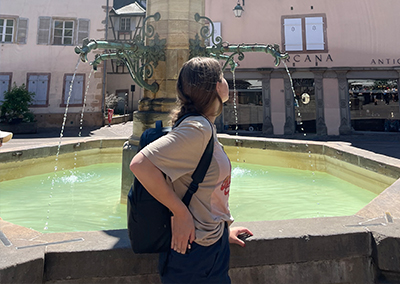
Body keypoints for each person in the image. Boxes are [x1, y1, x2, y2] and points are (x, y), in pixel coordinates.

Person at [130, 57, 253, 283]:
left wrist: (222, 233)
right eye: (223, 77)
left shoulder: (204, 125)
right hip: (195, 255)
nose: (226, 82)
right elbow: (140, 165)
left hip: (210, 245)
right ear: (216, 86)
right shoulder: (197, 128)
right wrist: (181, 212)